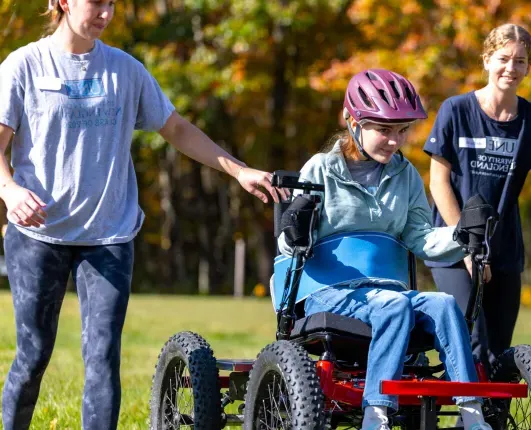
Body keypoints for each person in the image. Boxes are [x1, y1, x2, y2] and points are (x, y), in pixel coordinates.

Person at [0, 0, 285, 428]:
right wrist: (9, 189)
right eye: (96, 2)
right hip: (37, 234)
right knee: (34, 353)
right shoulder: (24, 65)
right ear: (62, 1)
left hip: (109, 235)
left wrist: (239, 170)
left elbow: (176, 128)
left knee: (102, 356)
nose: (105, 13)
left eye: (112, 4)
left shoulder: (125, 70)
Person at [278, 69, 492, 430]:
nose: (395, 140)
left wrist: (462, 236)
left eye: (402, 130)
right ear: (353, 122)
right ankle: (375, 416)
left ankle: (472, 412)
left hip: (385, 293)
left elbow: (420, 238)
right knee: (393, 305)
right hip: (326, 292)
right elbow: (290, 246)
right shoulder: (320, 169)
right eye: (384, 130)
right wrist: (295, 226)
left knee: (442, 303)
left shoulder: (405, 174)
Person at [424, 24, 531, 370]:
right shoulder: (456, 110)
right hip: (452, 245)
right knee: (471, 344)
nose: (511, 67)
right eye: (503, 58)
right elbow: (438, 182)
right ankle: (468, 418)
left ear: (529, 67)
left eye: (520, 61)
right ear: (487, 60)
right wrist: (467, 247)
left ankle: (488, 424)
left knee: (499, 358)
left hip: (504, 249)